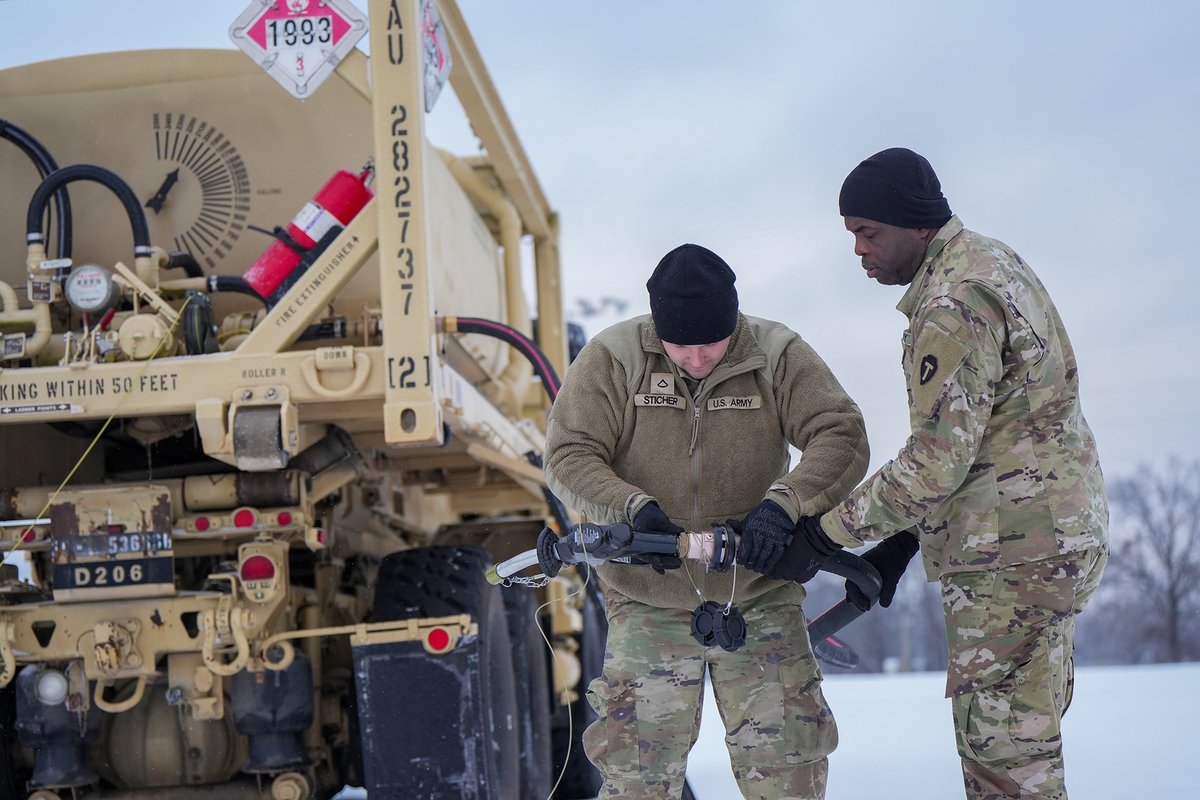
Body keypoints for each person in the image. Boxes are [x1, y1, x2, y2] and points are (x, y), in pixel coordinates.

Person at [747, 147, 1109, 799]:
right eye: (852, 234)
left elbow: (937, 460)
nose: (859, 249)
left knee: (1007, 769)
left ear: (916, 224)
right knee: (1019, 752)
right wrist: (906, 542)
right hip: (1037, 541)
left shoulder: (952, 300)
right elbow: (990, 436)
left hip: (1011, 559)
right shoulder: (989, 264)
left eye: (868, 232)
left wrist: (825, 535)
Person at [543, 243, 869, 800]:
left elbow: (840, 432)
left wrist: (783, 505)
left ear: (733, 320)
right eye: (680, 347)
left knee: (788, 769)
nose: (696, 360)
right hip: (649, 599)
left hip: (760, 593)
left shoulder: (777, 353)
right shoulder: (614, 358)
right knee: (636, 780)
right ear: (657, 328)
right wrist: (631, 508)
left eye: (711, 344)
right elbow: (568, 453)